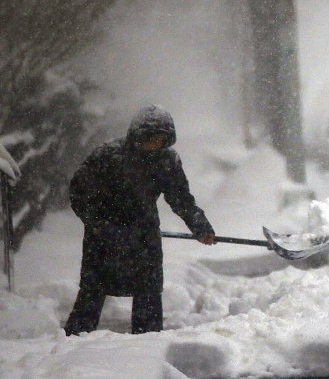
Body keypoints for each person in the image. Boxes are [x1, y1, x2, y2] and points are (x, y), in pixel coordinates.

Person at [64, 105, 216, 336]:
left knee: (148, 293)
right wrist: (97, 223)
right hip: (104, 237)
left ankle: (148, 344)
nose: (155, 144)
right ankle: (72, 341)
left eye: (161, 139)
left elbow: (181, 198)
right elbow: (79, 192)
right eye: (151, 138)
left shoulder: (166, 160)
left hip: (144, 236)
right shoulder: (107, 155)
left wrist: (200, 227)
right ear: (138, 135)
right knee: (93, 292)